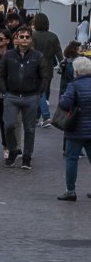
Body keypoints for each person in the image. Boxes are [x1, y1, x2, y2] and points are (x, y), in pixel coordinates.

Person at [0, 24, 47, 169]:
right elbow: (1, 74)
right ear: (16, 39)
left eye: (27, 37)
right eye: (21, 37)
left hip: (31, 96)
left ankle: (27, 157)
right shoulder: (9, 55)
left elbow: (44, 76)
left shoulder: (38, 56)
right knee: (9, 125)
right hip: (11, 96)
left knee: (30, 129)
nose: (24, 39)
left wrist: (38, 93)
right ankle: (13, 150)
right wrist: (5, 91)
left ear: (31, 39)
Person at [56, 55, 91, 201]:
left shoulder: (74, 85)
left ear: (76, 71)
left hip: (75, 129)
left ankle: (71, 190)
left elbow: (64, 103)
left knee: (72, 160)